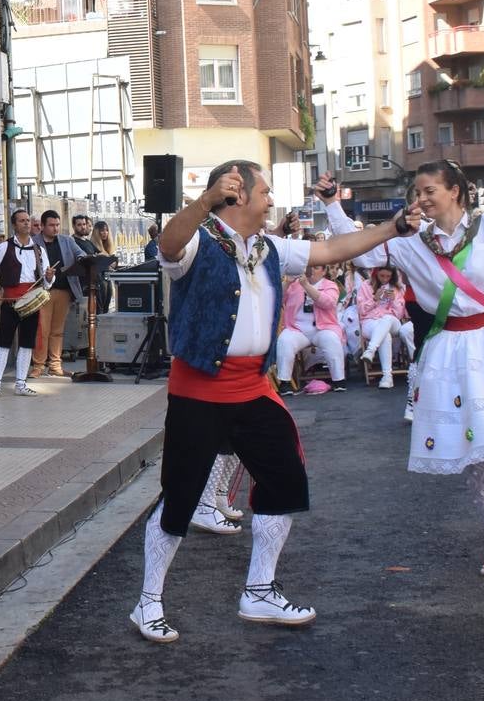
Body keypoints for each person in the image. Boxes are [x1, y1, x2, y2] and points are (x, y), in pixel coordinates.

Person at [129, 161, 421, 644]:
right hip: (199, 390)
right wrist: (203, 202)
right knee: (179, 497)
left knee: (285, 481)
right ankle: (149, 601)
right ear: (237, 195)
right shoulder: (201, 239)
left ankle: (259, 590)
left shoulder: (269, 248)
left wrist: (393, 227)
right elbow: (168, 245)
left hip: (253, 388)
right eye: (264, 191)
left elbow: (332, 248)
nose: (270, 200)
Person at [320, 165, 484, 577]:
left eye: (429, 190)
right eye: (417, 192)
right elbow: (358, 247)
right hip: (452, 351)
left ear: (455, 191)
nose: (421, 198)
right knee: (475, 454)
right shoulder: (408, 243)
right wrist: (333, 205)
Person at [0, 208, 50, 398]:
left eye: (28, 220)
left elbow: (46, 279)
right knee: (3, 342)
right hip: (10, 302)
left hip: (32, 302)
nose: (26, 223)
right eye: (22, 221)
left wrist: (50, 277)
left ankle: (21, 383)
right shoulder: (4, 247)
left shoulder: (39, 249)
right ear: (14, 225)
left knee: (27, 344)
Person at [274, 263, 348, 393]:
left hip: (323, 328)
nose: (312, 270)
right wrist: (287, 283)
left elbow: (328, 303)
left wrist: (307, 286)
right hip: (298, 328)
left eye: (316, 268)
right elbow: (276, 300)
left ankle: (339, 380)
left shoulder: (330, 285)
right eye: (310, 267)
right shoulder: (295, 285)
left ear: (324, 271)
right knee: (285, 340)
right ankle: (284, 382)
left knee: (331, 339)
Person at [33, 210, 82, 377]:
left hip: (64, 290)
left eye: (58, 225)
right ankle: (38, 365)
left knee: (58, 330)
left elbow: (80, 254)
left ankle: (55, 365)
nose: (56, 229)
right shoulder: (34, 242)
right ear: (43, 226)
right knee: (42, 330)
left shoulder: (67, 241)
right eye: (52, 225)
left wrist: (83, 258)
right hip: (43, 292)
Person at [357, 264, 413, 390]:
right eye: (382, 276)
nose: (385, 279)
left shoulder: (396, 288)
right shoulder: (365, 285)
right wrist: (374, 299)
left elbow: (400, 314)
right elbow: (361, 311)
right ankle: (387, 377)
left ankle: (371, 350)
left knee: (386, 319)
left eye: (388, 276)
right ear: (375, 273)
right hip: (370, 321)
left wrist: (393, 300)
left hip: (392, 321)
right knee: (385, 336)